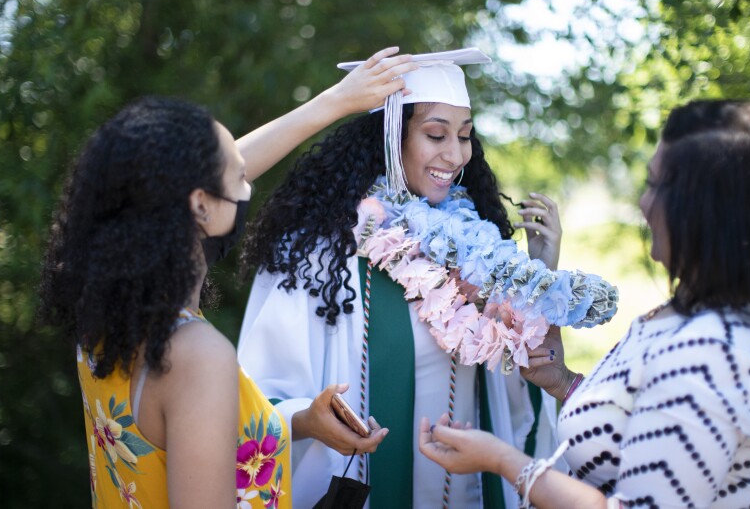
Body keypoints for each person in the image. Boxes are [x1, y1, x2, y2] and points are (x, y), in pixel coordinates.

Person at [237, 48, 618, 508]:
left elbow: (522, 386)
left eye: (464, 136)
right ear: (390, 140)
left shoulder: (478, 252)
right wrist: (305, 419)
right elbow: (256, 397)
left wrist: (536, 278)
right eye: (436, 135)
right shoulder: (317, 252)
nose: (455, 154)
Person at [38, 47, 416, 508]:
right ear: (198, 204)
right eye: (239, 177)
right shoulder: (195, 354)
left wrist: (300, 423)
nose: (248, 187)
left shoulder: (105, 319)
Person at [419, 100, 750, 509]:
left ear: (708, 212)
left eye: (656, 185)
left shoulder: (715, 349)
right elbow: (654, 431)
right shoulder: (708, 314)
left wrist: (503, 461)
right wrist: (565, 383)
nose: (642, 203)